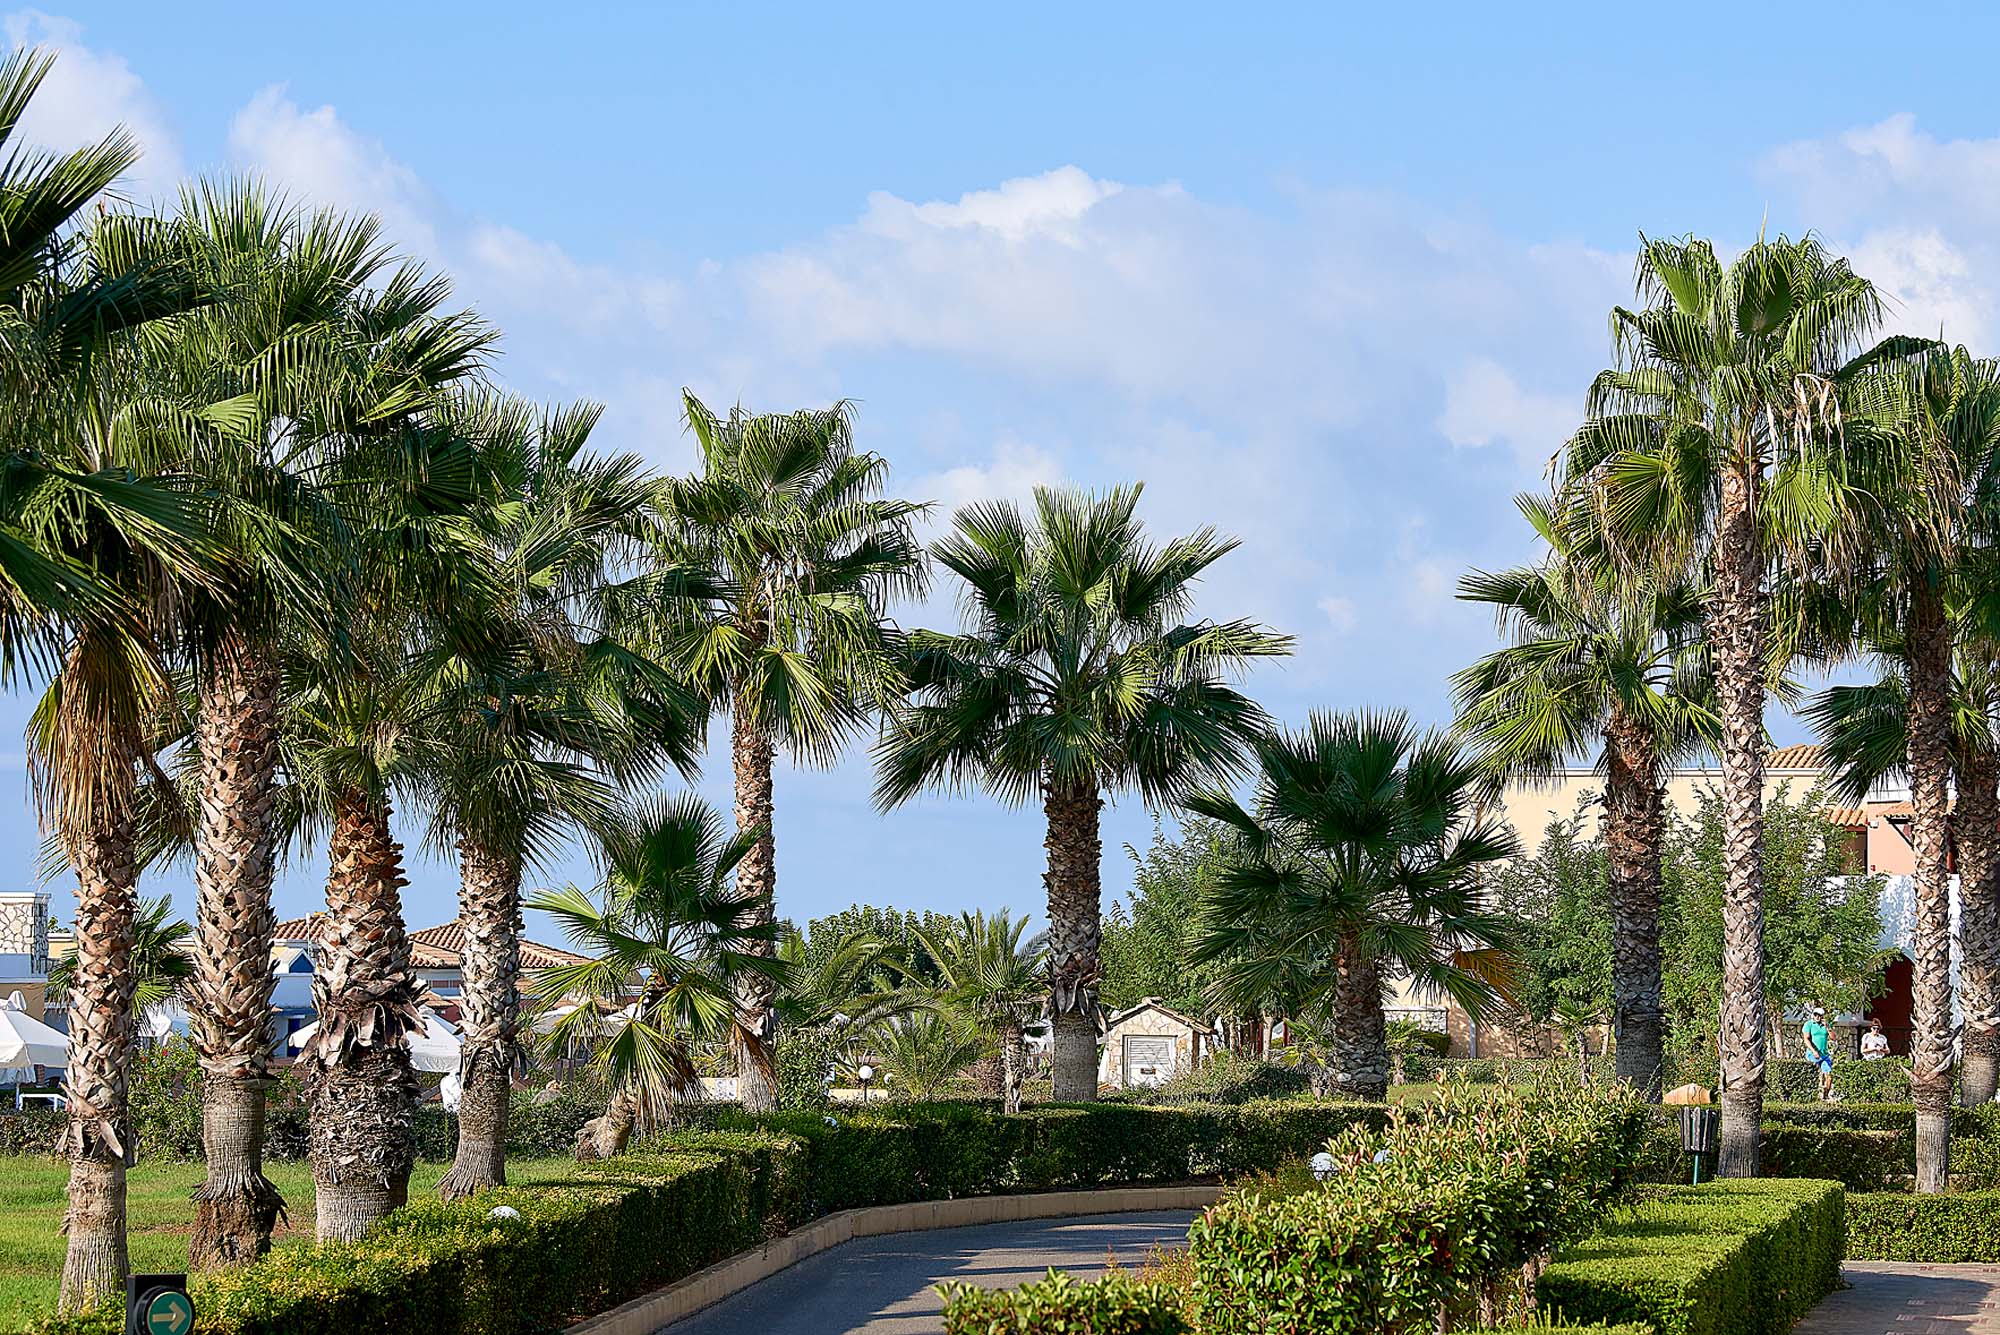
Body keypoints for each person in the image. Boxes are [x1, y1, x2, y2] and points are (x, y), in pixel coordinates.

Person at [1802, 1006, 1834, 1100]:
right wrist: (1814, 1051)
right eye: (1815, 1014)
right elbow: (1806, 1039)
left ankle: (1825, 1096)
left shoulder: (1826, 1025)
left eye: (1819, 1015)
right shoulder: (1809, 1024)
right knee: (1813, 1076)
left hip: (1824, 1055)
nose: (1817, 1017)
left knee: (1829, 1076)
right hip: (1813, 1054)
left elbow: (1833, 1037)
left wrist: (1828, 1027)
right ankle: (1811, 1097)